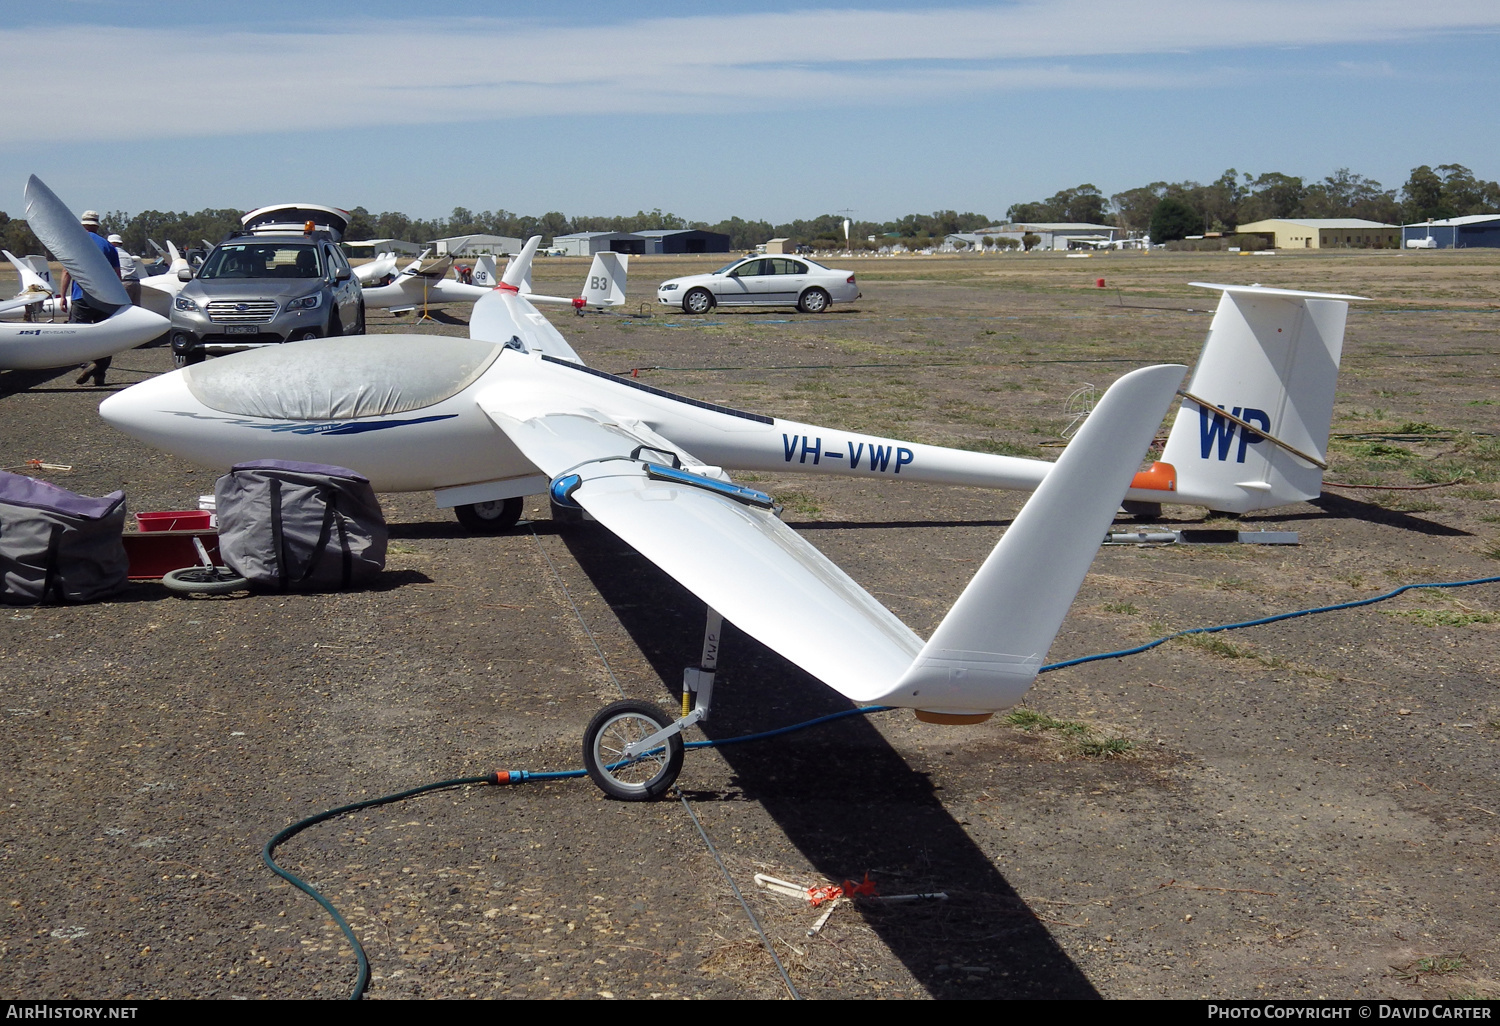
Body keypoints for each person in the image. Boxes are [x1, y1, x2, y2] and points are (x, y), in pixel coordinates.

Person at [57, 211, 121, 386]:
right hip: (105, 298)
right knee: (105, 338)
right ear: (97, 225)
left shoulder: (74, 244)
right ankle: (100, 373)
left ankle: (86, 364)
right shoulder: (109, 247)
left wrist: (62, 296)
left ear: (82, 225)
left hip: (81, 297)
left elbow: (66, 271)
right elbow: (117, 275)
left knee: (75, 335)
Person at [108, 234, 142, 306]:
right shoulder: (126, 254)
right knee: (136, 309)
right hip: (136, 283)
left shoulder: (113, 252)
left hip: (124, 283)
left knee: (122, 308)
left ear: (111, 243)